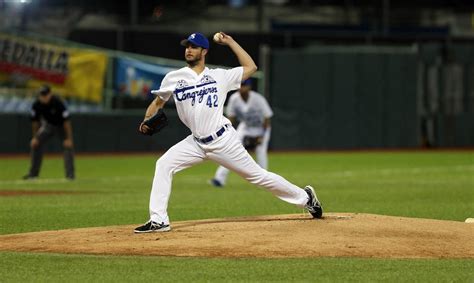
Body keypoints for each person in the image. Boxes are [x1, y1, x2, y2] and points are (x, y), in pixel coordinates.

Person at [134, 32, 322, 233]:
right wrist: (147, 119)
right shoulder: (174, 77)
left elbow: (251, 67)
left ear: (204, 51)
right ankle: (159, 220)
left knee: (258, 176)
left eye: (194, 46)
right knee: (164, 164)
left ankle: (306, 198)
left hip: (223, 140)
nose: (189, 49)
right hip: (196, 143)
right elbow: (158, 103)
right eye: (187, 46)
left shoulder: (219, 76)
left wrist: (230, 42)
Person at [210, 78, 272, 187]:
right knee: (231, 150)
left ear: (249, 87)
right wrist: (228, 133)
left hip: (261, 127)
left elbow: (267, 118)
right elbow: (231, 118)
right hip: (245, 127)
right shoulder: (234, 99)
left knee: (260, 151)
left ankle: (264, 181)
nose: (242, 87)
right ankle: (219, 179)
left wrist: (262, 136)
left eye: (245, 85)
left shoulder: (258, 99)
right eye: (240, 85)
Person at [23, 85, 75, 180]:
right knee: (35, 144)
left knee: (68, 146)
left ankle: (70, 175)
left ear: (50, 94)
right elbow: (35, 122)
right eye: (42, 95)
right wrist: (35, 137)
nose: (44, 97)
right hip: (48, 126)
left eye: (45, 94)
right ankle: (33, 174)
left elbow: (66, 122)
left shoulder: (58, 103)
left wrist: (68, 138)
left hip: (61, 126)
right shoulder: (37, 104)